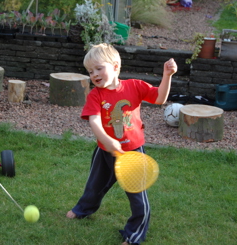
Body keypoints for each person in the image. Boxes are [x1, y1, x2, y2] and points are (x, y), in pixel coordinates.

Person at [66, 43, 177, 245]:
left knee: (138, 198)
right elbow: (94, 120)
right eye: (90, 71)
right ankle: (83, 209)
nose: (94, 74)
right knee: (94, 186)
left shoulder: (135, 86)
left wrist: (167, 75)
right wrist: (107, 140)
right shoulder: (96, 95)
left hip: (132, 153)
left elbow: (160, 98)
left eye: (99, 68)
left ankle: (134, 235)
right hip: (104, 151)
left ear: (116, 66)